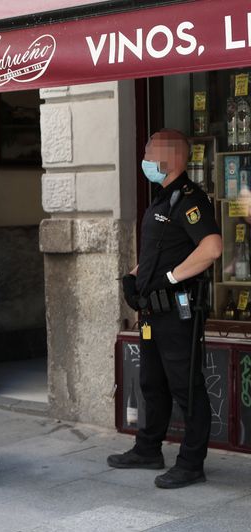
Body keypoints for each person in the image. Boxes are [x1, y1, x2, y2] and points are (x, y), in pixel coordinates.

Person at [110, 129, 222, 488]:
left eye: (148, 152)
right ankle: (148, 449)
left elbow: (212, 248)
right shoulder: (162, 200)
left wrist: (172, 279)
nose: (144, 158)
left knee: (186, 387)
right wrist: (134, 277)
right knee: (151, 382)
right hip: (151, 313)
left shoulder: (191, 200)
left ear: (169, 159)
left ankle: (191, 463)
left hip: (177, 312)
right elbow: (160, 253)